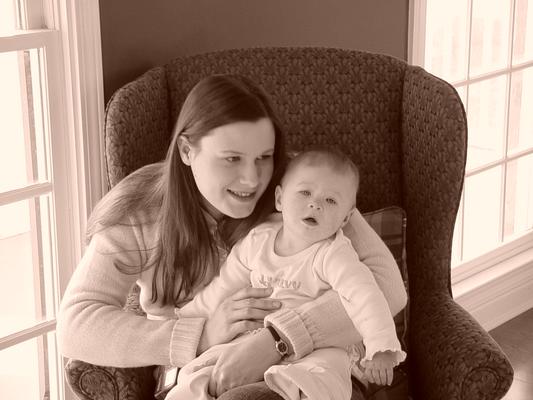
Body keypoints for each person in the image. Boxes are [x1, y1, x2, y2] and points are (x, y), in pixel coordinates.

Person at [56, 74, 407, 400]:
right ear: (187, 151)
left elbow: (388, 289)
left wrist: (278, 339)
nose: (252, 179)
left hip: (310, 366)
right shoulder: (141, 211)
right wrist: (201, 336)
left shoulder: (303, 187)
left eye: (264, 157)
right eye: (232, 158)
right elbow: (76, 326)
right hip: (199, 369)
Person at [164, 148, 406, 400]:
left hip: (315, 351)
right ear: (280, 199)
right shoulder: (257, 240)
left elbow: (366, 297)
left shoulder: (334, 254)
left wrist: (382, 347)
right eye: (305, 193)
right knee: (193, 378)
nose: (315, 204)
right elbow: (221, 290)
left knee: (320, 377)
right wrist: (181, 320)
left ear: (346, 219)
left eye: (330, 201)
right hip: (247, 341)